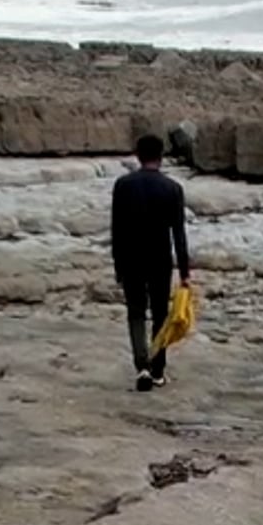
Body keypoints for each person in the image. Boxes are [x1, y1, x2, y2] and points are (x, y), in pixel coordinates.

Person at [109, 133, 191, 391]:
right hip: (160, 260)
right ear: (161, 157)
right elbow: (179, 234)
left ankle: (141, 366)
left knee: (135, 313)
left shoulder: (123, 185)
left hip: (131, 258)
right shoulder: (173, 188)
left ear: (138, 155)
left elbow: (117, 229)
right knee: (160, 315)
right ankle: (157, 369)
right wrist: (185, 272)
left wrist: (118, 264)